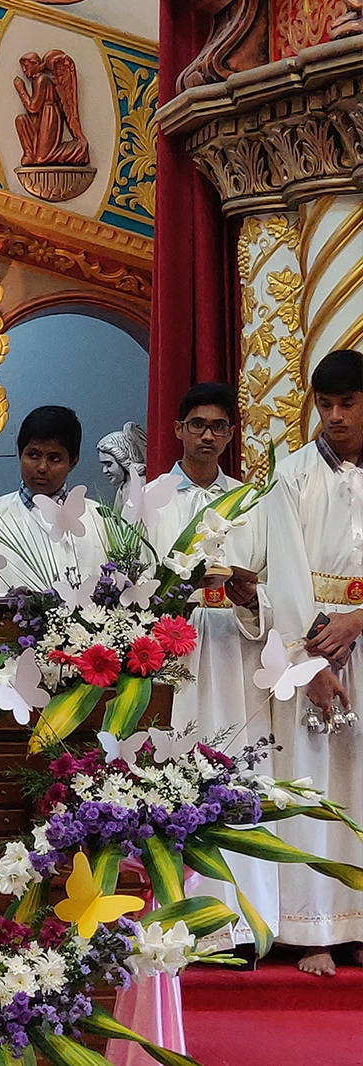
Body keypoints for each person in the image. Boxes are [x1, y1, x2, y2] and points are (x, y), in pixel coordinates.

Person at [143, 383, 275, 949]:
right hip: (174, 653)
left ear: (230, 434)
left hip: (234, 652)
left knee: (237, 770)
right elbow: (128, 581)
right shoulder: (148, 498)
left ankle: (242, 923)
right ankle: (177, 923)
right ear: (178, 429)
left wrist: (250, 597)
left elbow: (272, 583)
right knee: (174, 770)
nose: (207, 435)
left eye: (219, 426)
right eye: (196, 424)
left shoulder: (251, 501)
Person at [252, 350, 363, 975]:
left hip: (359, 629)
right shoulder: (292, 475)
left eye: (347, 403)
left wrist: (358, 619)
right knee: (309, 781)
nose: (335, 416)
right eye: (325, 405)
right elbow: (287, 575)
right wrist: (310, 664)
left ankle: (360, 923)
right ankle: (311, 929)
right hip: (312, 642)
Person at [0, 405, 107, 594]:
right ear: (20, 454)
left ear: (73, 461)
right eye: (33, 455)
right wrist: (12, 605)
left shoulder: (99, 519)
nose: (42, 467)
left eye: (54, 458)